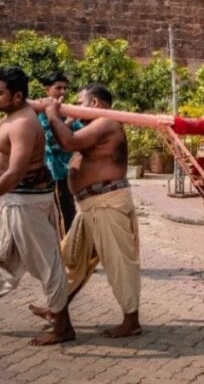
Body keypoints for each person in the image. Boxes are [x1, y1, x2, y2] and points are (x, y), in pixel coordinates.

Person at [45, 82, 141, 339]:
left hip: (107, 203)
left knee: (119, 262)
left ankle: (131, 320)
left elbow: (69, 142)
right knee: (71, 258)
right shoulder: (95, 125)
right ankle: (58, 308)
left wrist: (54, 115)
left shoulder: (106, 122)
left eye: (80, 102)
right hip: (91, 205)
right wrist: (63, 118)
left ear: (95, 103)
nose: (76, 106)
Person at [0, 66, 75, 345]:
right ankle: (59, 318)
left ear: (16, 96)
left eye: (0, 93)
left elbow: (14, 172)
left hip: (26, 203)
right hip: (15, 201)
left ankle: (63, 327)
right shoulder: (16, 112)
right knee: (4, 260)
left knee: (47, 264)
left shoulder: (22, 123)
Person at [36, 71, 79, 235]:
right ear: (46, 89)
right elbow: (51, 141)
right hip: (52, 172)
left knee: (69, 211)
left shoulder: (64, 110)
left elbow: (77, 135)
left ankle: (69, 251)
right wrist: (69, 121)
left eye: (65, 88)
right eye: (58, 88)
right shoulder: (41, 112)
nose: (63, 92)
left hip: (65, 170)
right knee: (60, 213)